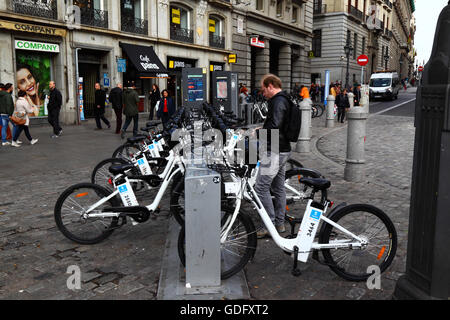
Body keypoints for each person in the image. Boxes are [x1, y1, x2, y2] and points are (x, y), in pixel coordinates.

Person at [254, 74, 292, 239]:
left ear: (270, 86)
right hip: (282, 148)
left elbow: (274, 127)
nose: (263, 94)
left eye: (263, 90)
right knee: (278, 187)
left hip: (275, 149)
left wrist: (258, 132)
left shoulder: (278, 101)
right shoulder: (286, 99)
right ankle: (279, 223)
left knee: (261, 188)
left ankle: (268, 225)